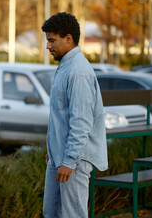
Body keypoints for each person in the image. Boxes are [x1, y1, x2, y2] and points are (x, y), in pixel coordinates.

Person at [41, 12, 108, 217]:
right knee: (51, 212)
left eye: (52, 40)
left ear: (68, 39)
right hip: (58, 158)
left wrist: (69, 161)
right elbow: (62, 117)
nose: (48, 46)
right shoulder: (65, 66)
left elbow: (81, 122)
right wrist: (53, 151)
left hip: (74, 161)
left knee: (72, 215)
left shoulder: (78, 71)